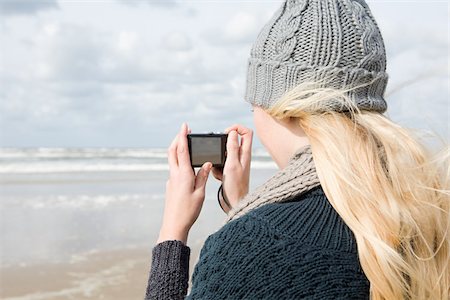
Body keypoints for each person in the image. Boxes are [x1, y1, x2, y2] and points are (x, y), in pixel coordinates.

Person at [145, 0, 449, 299]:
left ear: (283, 109)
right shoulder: (430, 218)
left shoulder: (248, 250)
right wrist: (243, 206)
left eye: (254, 104)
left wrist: (172, 232)